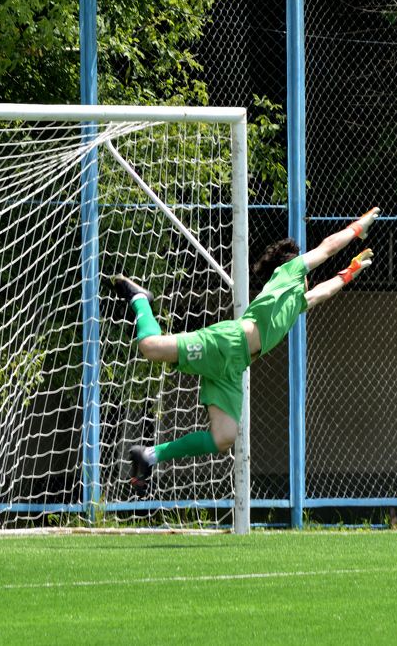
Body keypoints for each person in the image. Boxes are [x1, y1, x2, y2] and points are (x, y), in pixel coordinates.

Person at [108, 207, 381, 495]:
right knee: (150, 347)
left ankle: (148, 456)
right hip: (228, 343)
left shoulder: (296, 301)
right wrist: (356, 229)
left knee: (224, 436)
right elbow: (327, 248)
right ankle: (140, 299)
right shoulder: (287, 273)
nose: (309, 281)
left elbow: (323, 292)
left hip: (234, 365)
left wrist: (349, 273)